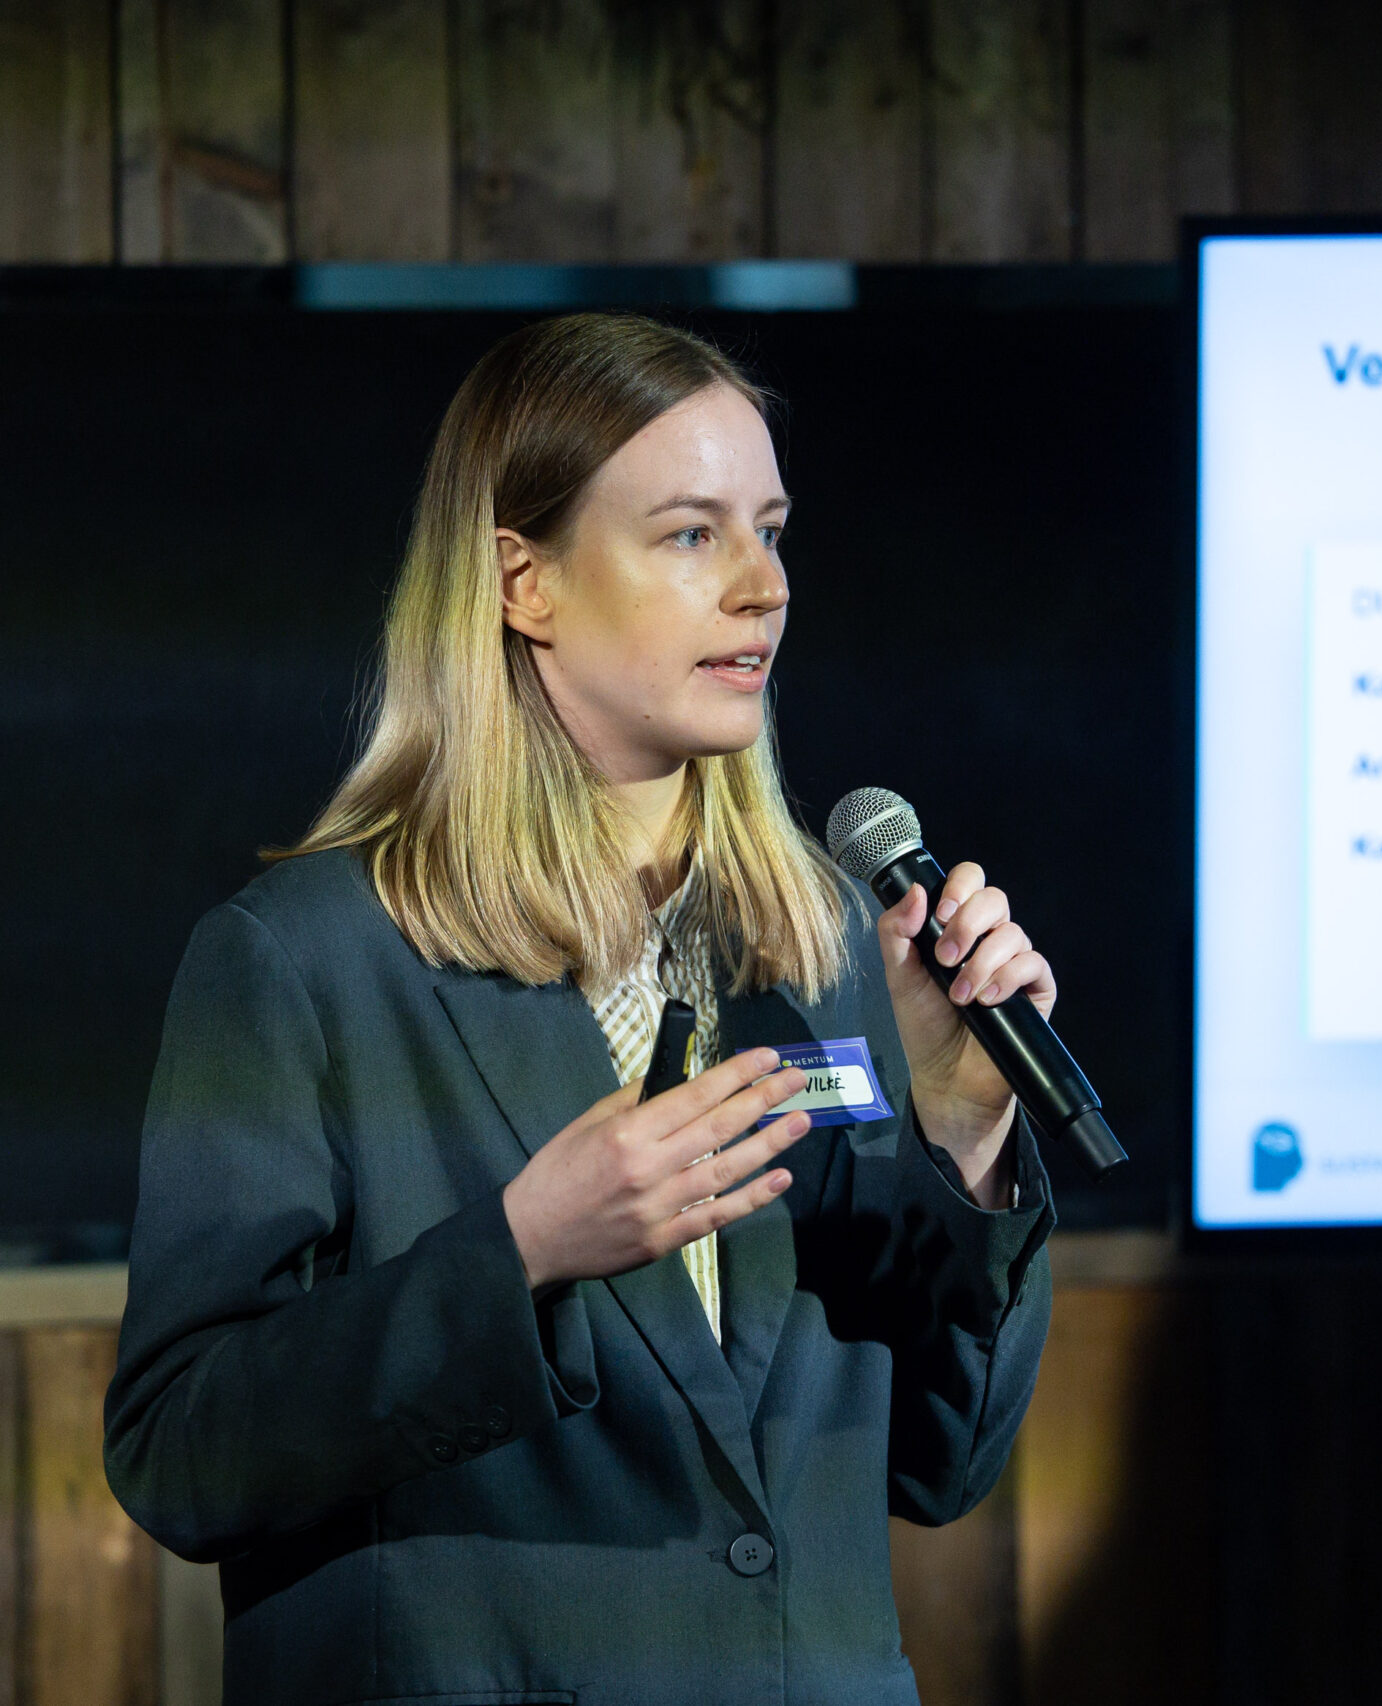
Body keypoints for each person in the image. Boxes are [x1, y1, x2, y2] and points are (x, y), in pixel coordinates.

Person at [105, 314, 1057, 1705]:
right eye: (691, 535)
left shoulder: (832, 951)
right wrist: (520, 1253)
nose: (763, 587)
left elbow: (941, 1464)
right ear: (524, 581)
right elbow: (181, 1453)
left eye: (771, 531)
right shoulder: (305, 961)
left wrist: (962, 1135)